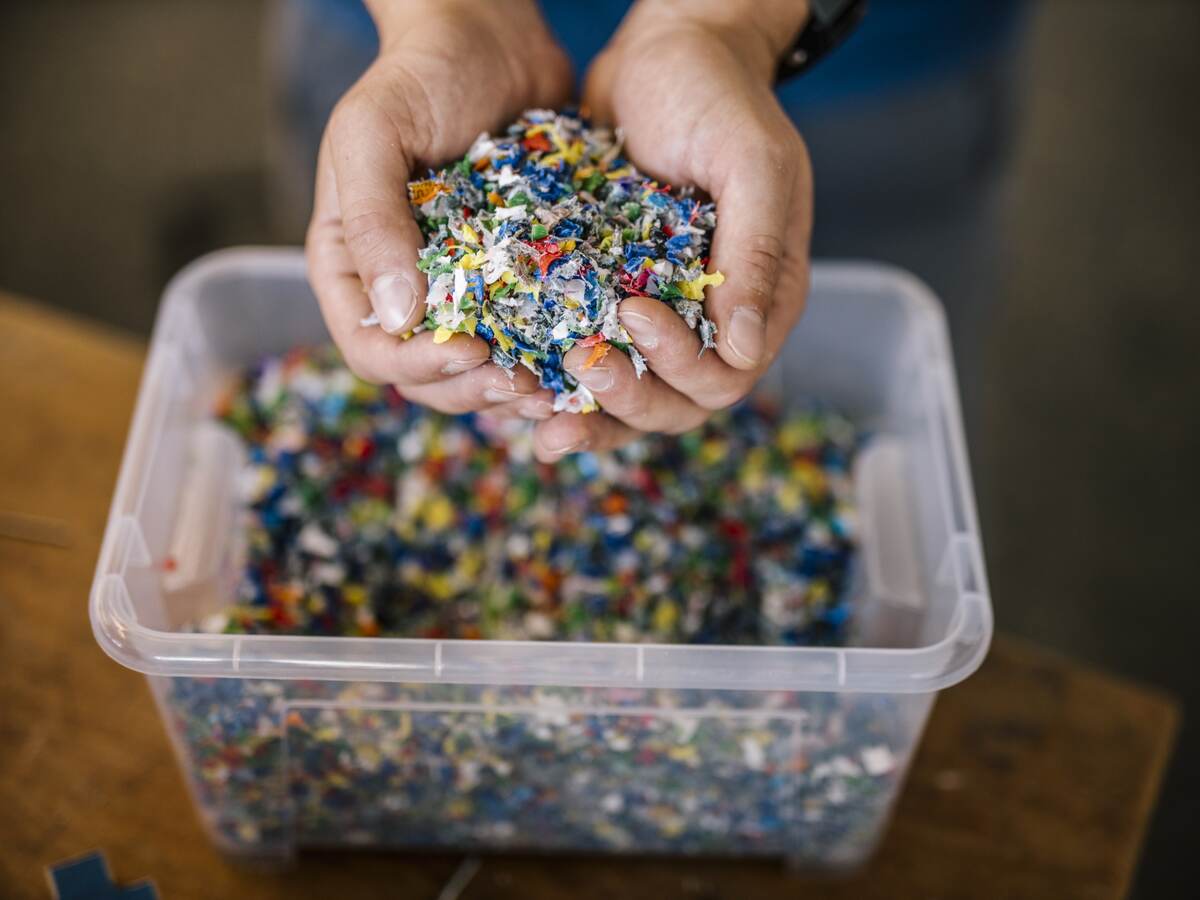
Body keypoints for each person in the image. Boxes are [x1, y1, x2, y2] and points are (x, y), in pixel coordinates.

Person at [274, 0, 1028, 461]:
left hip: (867, 76)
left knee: (883, 406)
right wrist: (440, 14)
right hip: (399, 31)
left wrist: (727, 21)